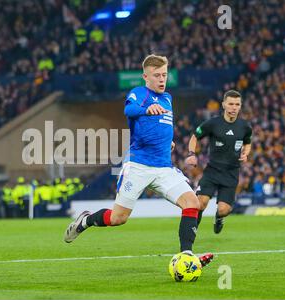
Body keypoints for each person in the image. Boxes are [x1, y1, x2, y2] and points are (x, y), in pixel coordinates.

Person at [64, 54, 213, 267]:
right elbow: (129, 110)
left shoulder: (168, 98)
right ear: (145, 76)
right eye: (157, 75)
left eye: (164, 74)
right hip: (138, 166)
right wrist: (146, 110)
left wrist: (167, 143)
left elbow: (162, 126)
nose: (162, 79)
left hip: (163, 167)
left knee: (192, 203)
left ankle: (186, 255)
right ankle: (86, 220)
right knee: (118, 218)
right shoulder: (139, 94)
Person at [185, 90, 252, 234]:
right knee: (200, 203)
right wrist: (191, 154)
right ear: (224, 105)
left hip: (231, 173)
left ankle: (219, 218)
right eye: (231, 104)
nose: (234, 107)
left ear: (240, 106)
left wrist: (246, 153)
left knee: (224, 209)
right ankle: (192, 230)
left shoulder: (244, 126)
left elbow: (248, 142)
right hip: (212, 171)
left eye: (237, 104)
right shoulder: (213, 123)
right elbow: (194, 136)